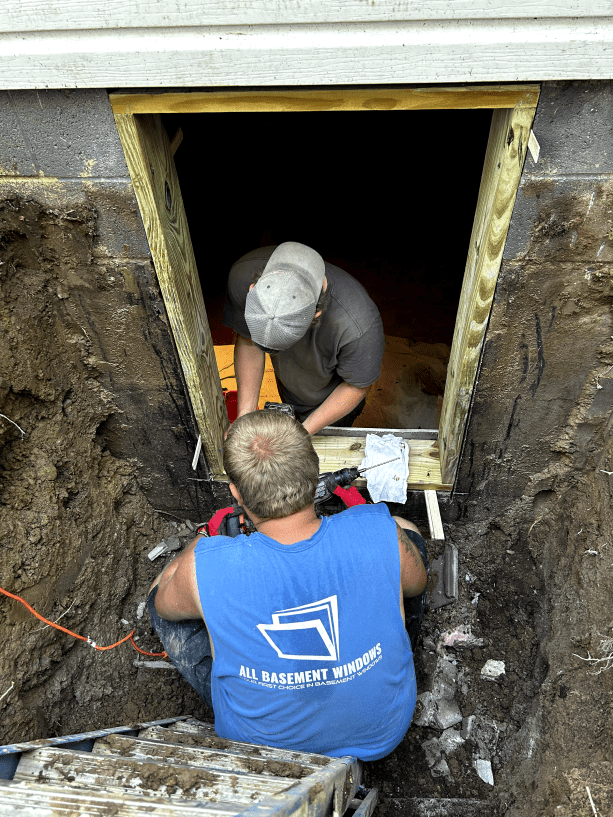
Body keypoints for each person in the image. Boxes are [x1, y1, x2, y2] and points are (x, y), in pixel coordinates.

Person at [148, 410, 428, 761]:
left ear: (236, 492)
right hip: (382, 732)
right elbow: (416, 586)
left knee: (164, 590)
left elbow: (163, 604)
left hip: (263, 749)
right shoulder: (378, 529)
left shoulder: (207, 564)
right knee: (408, 534)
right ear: (316, 472)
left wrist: (205, 539)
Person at [222, 242, 385, 435]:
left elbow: (357, 386)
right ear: (252, 289)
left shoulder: (359, 326)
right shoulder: (241, 275)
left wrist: (302, 433)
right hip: (291, 389)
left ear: (316, 313)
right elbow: (249, 343)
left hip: (333, 399)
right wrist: (244, 416)